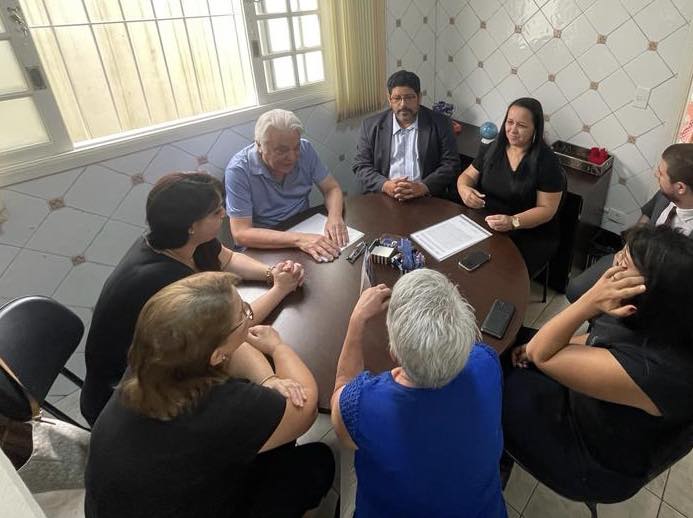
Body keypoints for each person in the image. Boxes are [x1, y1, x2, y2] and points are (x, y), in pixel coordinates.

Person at [85, 271, 335, 518]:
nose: (249, 315)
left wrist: (268, 380)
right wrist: (278, 348)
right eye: (244, 314)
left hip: (126, 502)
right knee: (316, 463)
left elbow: (232, 351)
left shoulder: (154, 361)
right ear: (214, 355)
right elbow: (305, 408)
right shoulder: (217, 406)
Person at [81, 172, 304, 426]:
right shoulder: (161, 279)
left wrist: (271, 274)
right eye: (216, 212)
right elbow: (233, 327)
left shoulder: (182, 241)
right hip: (130, 400)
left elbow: (229, 259)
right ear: (191, 225)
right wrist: (280, 290)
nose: (224, 214)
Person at [504, 226, 693, 502]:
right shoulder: (653, 315)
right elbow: (597, 338)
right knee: (514, 339)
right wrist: (537, 347)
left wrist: (590, 300)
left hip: (592, 459)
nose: (614, 262)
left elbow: (541, 355)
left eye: (623, 263)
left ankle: (494, 456)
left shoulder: (657, 370)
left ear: (652, 289)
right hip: (595, 408)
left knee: (493, 381)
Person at [331, 269, 507, 517]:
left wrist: (357, 320)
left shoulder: (362, 404)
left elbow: (340, 396)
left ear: (394, 354)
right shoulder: (487, 362)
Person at [566, 143, 693, 302]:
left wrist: (639, 276)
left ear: (680, 187)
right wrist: (626, 250)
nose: (656, 174)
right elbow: (643, 223)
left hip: (661, 288)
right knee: (575, 291)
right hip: (630, 259)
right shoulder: (665, 195)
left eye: (661, 173)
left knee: (610, 310)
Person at [457, 97, 564, 277]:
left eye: (521, 125)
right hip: (488, 221)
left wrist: (513, 222)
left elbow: (547, 210)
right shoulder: (493, 147)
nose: (513, 130)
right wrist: (464, 189)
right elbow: (467, 176)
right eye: (510, 122)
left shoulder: (547, 161)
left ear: (535, 128)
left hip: (528, 232)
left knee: (498, 275)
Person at [225, 108, 347, 262]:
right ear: (259, 145)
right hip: (265, 242)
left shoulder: (306, 149)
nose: (292, 157)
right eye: (281, 150)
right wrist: (299, 239)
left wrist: (335, 217)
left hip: (305, 226)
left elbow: (331, 188)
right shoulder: (238, 170)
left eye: (296, 147)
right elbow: (241, 233)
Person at [352, 70, 460, 201]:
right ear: (389, 99)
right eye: (397, 98)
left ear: (419, 97)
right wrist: (385, 185)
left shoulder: (441, 123)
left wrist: (423, 187)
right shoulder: (370, 126)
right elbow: (361, 165)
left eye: (409, 97)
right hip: (384, 196)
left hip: (425, 198)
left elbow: (451, 164)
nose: (403, 104)